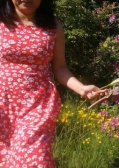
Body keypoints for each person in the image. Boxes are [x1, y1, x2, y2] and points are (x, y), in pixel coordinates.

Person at [0, 0, 108, 167]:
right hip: (3, 103)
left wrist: (82, 89)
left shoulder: (53, 26)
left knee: (34, 157)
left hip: (38, 103)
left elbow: (60, 68)